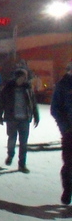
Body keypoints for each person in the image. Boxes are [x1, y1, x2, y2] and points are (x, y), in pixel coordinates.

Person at [0, 68, 39, 173]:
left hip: (24, 119)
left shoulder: (28, 88)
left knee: (23, 143)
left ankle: (22, 164)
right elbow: (1, 103)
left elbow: (33, 103)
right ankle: (10, 155)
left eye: (25, 77)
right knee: (12, 139)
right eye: (22, 77)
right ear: (17, 77)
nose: (23, 79)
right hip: (12, 118)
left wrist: (36, 115)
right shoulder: (8, 88)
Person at [50, 61, 72, 205]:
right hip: (70, 131)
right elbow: (55, 109)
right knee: (69, 163)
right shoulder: (63, 85)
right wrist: (65, 128)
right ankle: (68, 190)